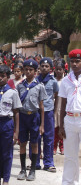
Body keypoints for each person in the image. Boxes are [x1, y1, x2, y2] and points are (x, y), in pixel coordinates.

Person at [0, 65, 21, 185]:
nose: (0, 78)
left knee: (7, 153)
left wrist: (16, 132)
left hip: (7, 123)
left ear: (8, 77)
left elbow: (17, 112)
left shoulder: (13, 93)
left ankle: (6, 179)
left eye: (3, 76)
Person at [16, 59, 47, 181]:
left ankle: (33, 169)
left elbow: (42, 107)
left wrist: (42, 125)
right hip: (23, 116)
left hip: (34, 117)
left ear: (35, 71)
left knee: (34, 144)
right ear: (23, 70)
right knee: (22, 143)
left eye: (31, 70)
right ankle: (23, 169)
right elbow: (17, 106)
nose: (28, 72)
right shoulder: (20, 86)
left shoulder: (39, 86)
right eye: (26, 70)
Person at [30, 58, 58, 172]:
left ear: (51, 68)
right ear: (39, 68)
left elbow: (57, 95)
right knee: (35, 137)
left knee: (49, 138)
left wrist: (55, 112)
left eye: (47, 66)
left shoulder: (53, 81)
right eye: (42, 66)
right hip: (36, 112)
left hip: (48, 112)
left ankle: (48, 163)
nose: (44, 68)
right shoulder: (35, 81)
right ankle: (35, 162)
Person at [58, 49, 81, 185]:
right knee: (70, 155)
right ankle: (68, 182)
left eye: (77, 61)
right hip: (70, 120)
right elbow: (62, 104)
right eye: (72, 61)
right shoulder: (66, 81)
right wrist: (61, 126)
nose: (75, 64)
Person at [53, 59, 65, 155]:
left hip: (63, 107)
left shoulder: (66, 81)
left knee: (63, 127)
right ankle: (54, 147)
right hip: (54, 107)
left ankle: (62, 146)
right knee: (55, 128)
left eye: (60, 69)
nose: (58, 71)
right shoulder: (52, 81)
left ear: (63, 70)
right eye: (57, 69)